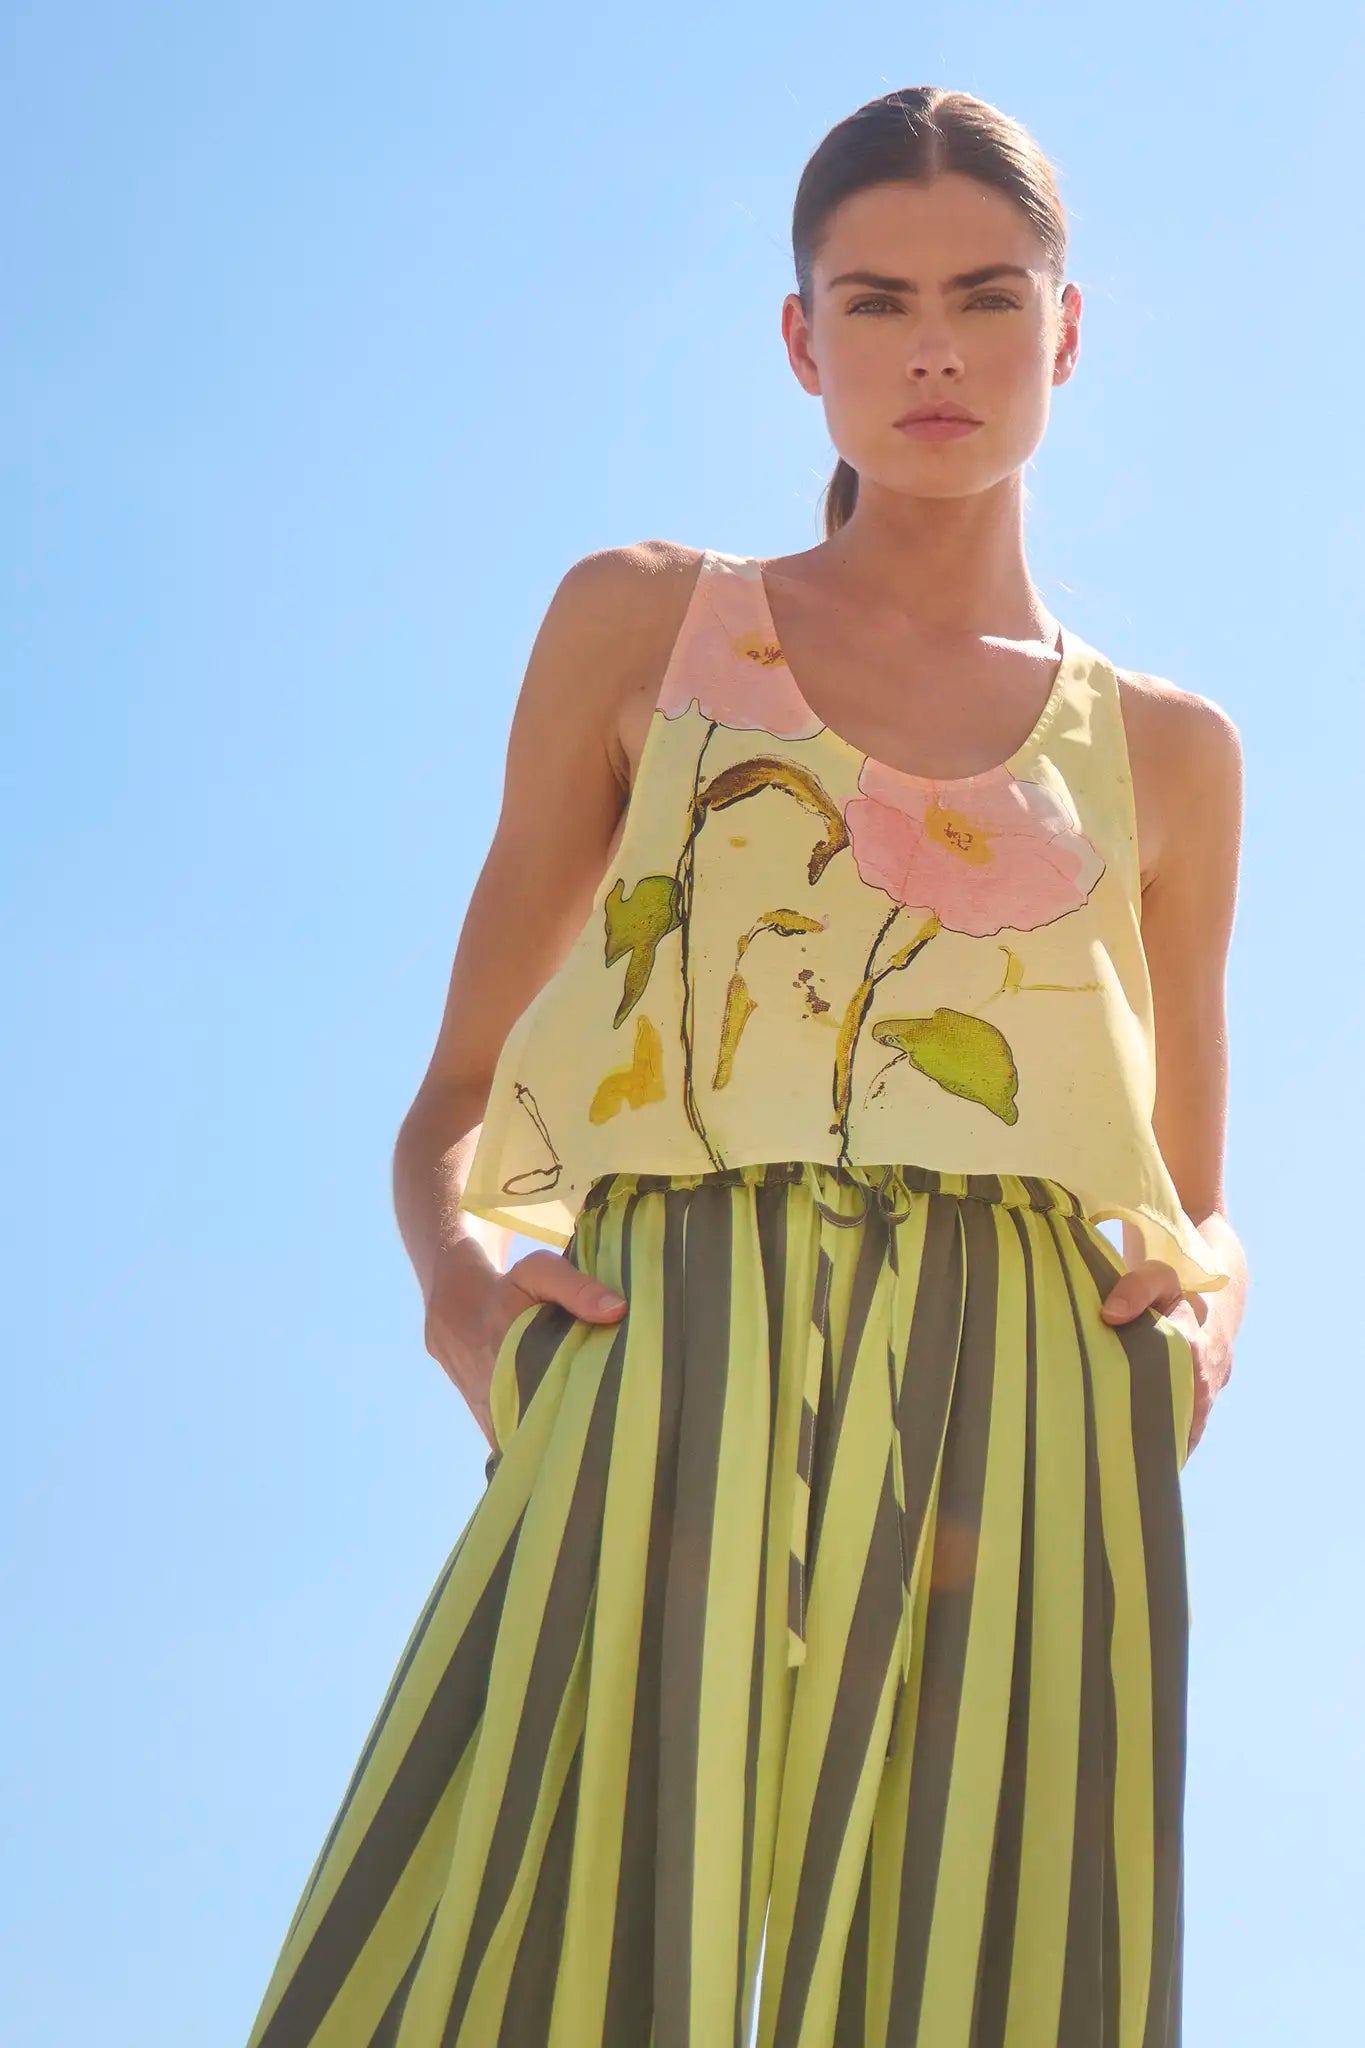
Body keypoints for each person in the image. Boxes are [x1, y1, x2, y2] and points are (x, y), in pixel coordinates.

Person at [244, 83, 1245, 2048]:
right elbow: (456, 1092)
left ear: (1065, 327)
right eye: (872, 302)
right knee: (525, 1965)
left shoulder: (1168, 756)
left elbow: (1189, 1188)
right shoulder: (645, 629)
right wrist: (468, 1307)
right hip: (667, 1348)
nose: (932, 347)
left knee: (988, 1992)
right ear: (800, 342)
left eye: (982, 294)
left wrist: (1202, 1324)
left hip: (1025, 1405)